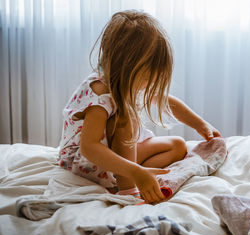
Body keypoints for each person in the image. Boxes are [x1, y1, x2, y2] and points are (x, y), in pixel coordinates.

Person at [58, 10, 221, 204]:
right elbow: (89, 148)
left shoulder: (123, 79)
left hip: (111, 153)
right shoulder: (99, 96)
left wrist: (200, 125)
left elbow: (164, 100)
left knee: (178, 146)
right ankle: (128, 190)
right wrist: (134, 171)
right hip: (87, 162)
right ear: (123, 66)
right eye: (146, 78)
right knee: (127, 119)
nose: (149, 84)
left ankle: (130, 173)